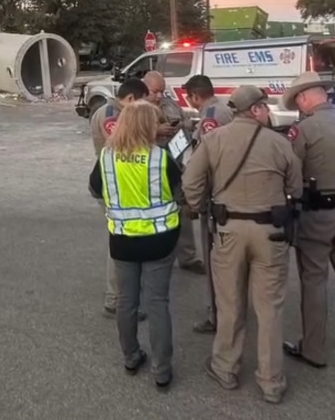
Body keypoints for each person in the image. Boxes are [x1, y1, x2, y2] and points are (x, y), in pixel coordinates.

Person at [182, 85, 302, 404]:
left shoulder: (213, 139)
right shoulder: (279, 143)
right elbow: (296, 186)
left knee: (230, 302)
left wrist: (200, 205)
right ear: (258, 109)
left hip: (228, 230)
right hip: (270, 232)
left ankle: (225, 367)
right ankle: (271, 380)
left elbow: (191, 182)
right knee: (270, 308)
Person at [90, 100, 181, 390]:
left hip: (122, 241)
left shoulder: (106, 156)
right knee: (157, 304)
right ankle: (162, 370)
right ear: (147, 125)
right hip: (160, 240)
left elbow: (95, 188)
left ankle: (131, 356)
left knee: (126, 302)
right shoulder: (160, 157)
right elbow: (180, 191)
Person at [281, 71, 335, 369]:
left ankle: (313, 349)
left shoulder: (304, 130)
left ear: (303, 98)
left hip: (318, 215)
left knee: (314, 280)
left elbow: (292, 174)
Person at [91, 77, 150, 319]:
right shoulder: (111, 115)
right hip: (115, 186)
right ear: (131, 99)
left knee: (123, 242)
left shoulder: (114, 111)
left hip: (117, 184)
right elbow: (122, 147)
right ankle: (115, 299)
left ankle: (122, 296)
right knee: (118, 243)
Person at [183, 74, 235, 335]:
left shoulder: (211, 117)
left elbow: (206, 163)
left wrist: (196, 199)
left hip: (216, 198)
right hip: (232, 195)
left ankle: (216, 314)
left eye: (189, 99)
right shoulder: (225, 109)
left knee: (214, 259)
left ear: (195, 95)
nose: (190, 104)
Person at [144, 71, 204, 274]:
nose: (159, 96)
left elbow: (186, 121)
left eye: (162, 91)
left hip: (175, 164)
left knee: (183, 210)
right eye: (155, 92)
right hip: (149, 171)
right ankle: (155, 258)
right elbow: (128, 136)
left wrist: (181, 126)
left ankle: (188, 257)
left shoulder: (169, 104)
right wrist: (155, 132)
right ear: (145, 89)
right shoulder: (137, 110)